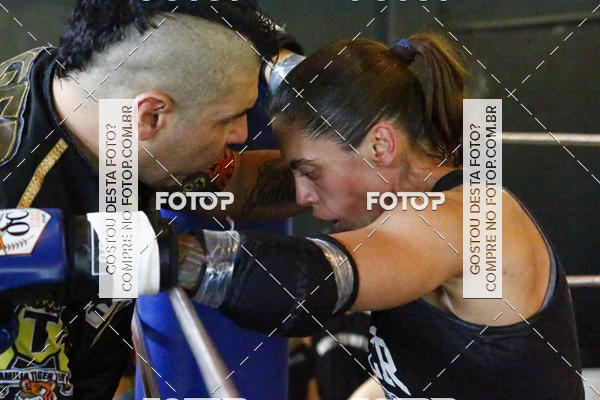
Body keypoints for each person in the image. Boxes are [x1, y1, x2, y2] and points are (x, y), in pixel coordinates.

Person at [176, 31, 584, 399]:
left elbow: (313, 281)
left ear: (381, 146)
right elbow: (246, 185)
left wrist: (168, 258)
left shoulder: (470, 222)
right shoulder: (395, 199)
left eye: (310, 173)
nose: (301, 195)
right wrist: (158, 169)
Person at [0, 1, 305, 398]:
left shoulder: (103, 109)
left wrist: (351, 174)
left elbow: (240, 184)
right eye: (228, 118)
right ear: (151, 116)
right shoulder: (19, 197)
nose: (242, 134)